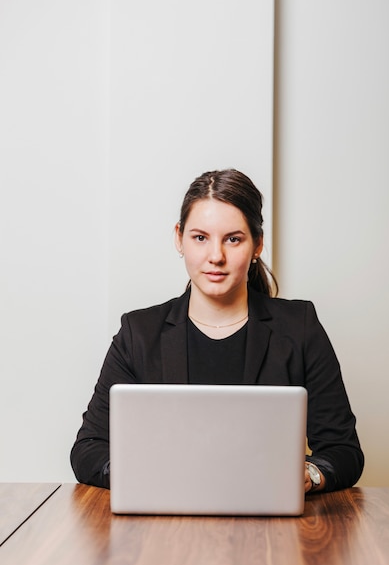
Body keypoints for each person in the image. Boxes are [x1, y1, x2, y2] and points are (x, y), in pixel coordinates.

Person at [70, 168, 364, 492]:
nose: (216, 256)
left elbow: (344, 452)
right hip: (164, 524)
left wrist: (310, 474)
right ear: (178, 238)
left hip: (269, 525)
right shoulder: (138, 333)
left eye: (233, 239)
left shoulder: (299, 327)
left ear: (257, 246)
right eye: (200, 237)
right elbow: (88, 450)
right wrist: (147, 475)